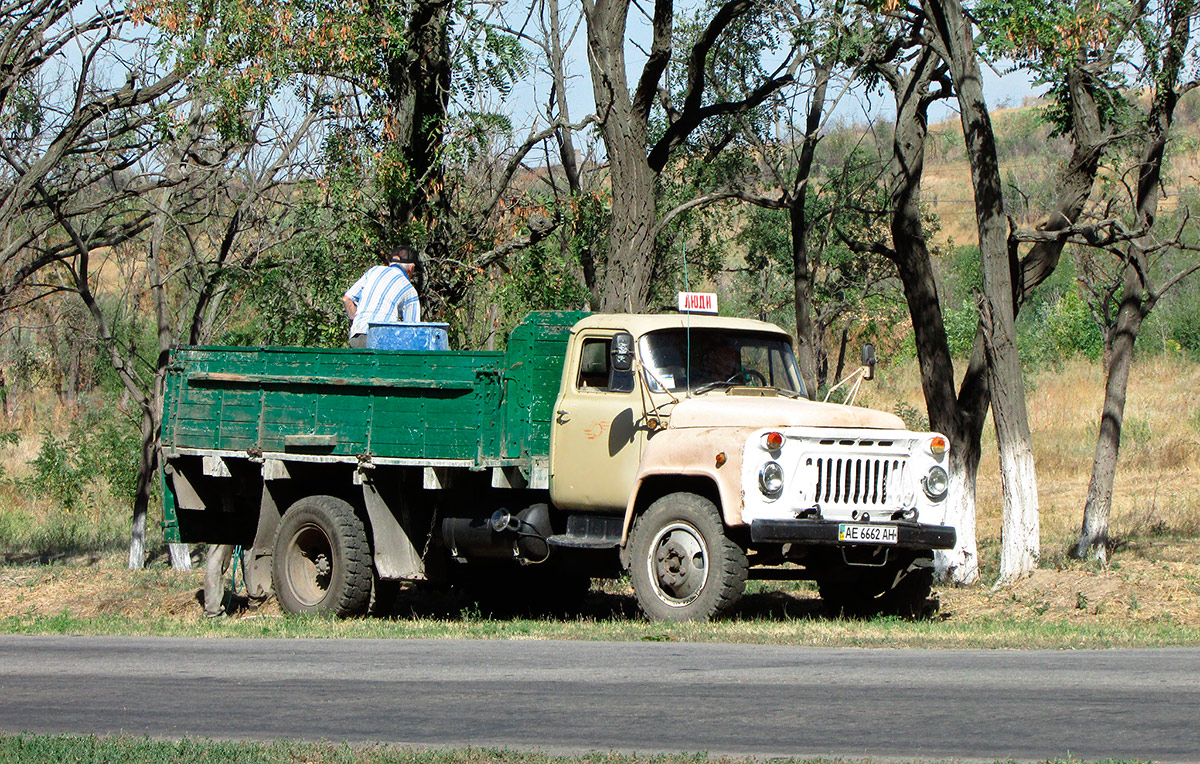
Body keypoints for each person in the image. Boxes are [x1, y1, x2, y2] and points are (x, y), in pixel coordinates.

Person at [342, 245, 421, 348]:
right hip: (383, 339)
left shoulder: (374, 271)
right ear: (411, 269)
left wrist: (357, 321)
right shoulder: (409, 290)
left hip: (357, 336)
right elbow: (412, 330)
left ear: (390, 263)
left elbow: (347, 299)